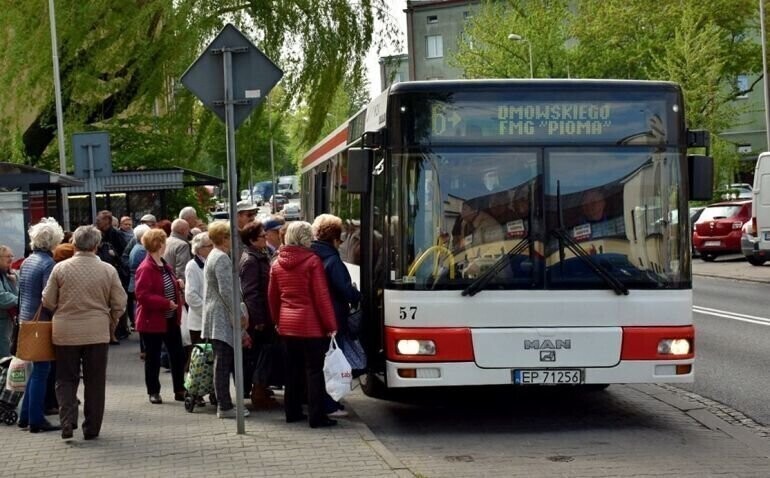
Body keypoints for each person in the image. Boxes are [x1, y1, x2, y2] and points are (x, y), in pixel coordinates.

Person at [42, 225, 126, 440]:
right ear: (96, 246)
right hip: (97, 331)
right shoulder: (108, 270)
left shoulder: (60, 268)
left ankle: (67, 421)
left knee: (65, 378)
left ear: (73, 243)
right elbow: (120, 302)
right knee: (95, 381)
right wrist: (112, 321)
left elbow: (48, 300)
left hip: (65, 331)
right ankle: (92, 428)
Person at [268, 221, 337, 428]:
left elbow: (272, 298)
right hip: (311, 325)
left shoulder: (277, 263)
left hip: (288, 325)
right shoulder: (312, 261)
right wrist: (331, 324)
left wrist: (277, 321)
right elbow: (321, 296)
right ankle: (316, 417)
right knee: (314, 371)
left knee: (292, 370)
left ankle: (292, 411)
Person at [310, 214, 361, 418]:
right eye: (340, 240)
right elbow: (344, 290)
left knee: (321, 361)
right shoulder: (332, 260)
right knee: (332, 362)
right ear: (333, 239)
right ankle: (330, 404)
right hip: (333, 316)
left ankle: (324, 402)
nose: (341, 245)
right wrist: (358, 295)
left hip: (315, 317)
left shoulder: (312, 255)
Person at [18, 217, 64, 433]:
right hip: (42, 322)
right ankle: (36, 419)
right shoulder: (48, 264)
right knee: (41, 370)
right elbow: (48, 297)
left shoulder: (28, 261)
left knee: (33, 369)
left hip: (26, 319)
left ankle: (25, 415)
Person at [202, 221, 250, 419]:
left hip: (218, 314)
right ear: (223, 238)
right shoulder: (221, 258)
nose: (234, 240)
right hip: (221, 316)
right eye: (231, 236)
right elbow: (226, 290)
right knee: (223, 364)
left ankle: (225, 403)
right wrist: (238, 315)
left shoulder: (215, 256)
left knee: (223, 362)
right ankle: (225, 406)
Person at [134, 228, 186, 405]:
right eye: (164, 241)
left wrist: (177, 284)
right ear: (159, 244)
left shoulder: (164, 264)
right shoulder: (146, 268)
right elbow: (142, 295)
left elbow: (165, 286)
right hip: (153, 320)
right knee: (153, 357)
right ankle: (153, 391)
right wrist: (165, 303)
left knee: (177, 355)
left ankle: (180, 389)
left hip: (170, 318)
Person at [239, 221, 280, 409]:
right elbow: (251, 293)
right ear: (252, 239)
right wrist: (259, 320)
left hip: (266, 314)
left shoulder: (260, 255)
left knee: (266, 353)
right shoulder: (251, 260)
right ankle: (258, 392)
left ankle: (261, 389)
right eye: (262, 236)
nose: (266, 238)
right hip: (260, 318)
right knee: (262, 354)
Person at [0, 245, 18, 358]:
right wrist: (21, 301)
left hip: (6, 322)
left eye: (12, 255)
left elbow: (16, 292)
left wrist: (13, 282)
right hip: (2, 322)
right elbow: (2, 298)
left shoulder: (8, 274)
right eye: (8, 256)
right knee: (4, 357)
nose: (11, 259)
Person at [163, 218, 191, 283]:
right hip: (176, 284)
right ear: (182, 231)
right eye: (188, 229)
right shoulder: (183, 245)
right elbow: (182, 270)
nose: (189, 231)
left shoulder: (164, 242)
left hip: (165, 282)